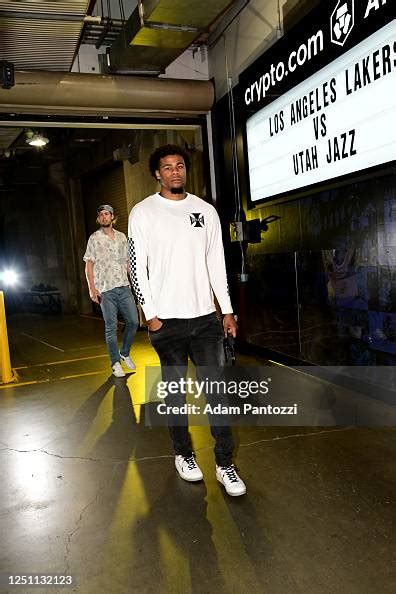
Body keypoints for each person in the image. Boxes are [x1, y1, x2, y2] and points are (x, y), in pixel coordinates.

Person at [128, 145, 246, 496]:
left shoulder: (205, 211)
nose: (175, 172)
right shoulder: (143, 212)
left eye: (179, 166)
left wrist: (226, 310)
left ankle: (225, 464)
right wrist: (150, 315)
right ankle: (184, 454)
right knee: (176, 395)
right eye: (167, 167)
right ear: (157, 174)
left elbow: (216, 265)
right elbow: (137, 267)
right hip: (167, 322)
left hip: (206, 320)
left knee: (217, 395)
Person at [84, 204, 139, 378]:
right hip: (105, 289)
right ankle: (115, 363)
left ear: (112, 217)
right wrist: (92, 288)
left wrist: (137, 283)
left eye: (107, 214)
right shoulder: (94, 238)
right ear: (99, 219)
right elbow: (89, 265)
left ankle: (124, 352)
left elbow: (128, 263)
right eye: (101, 215)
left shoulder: (122, 237)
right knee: (111, 327)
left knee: (133, 321)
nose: (104, 217)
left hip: (123, 286)